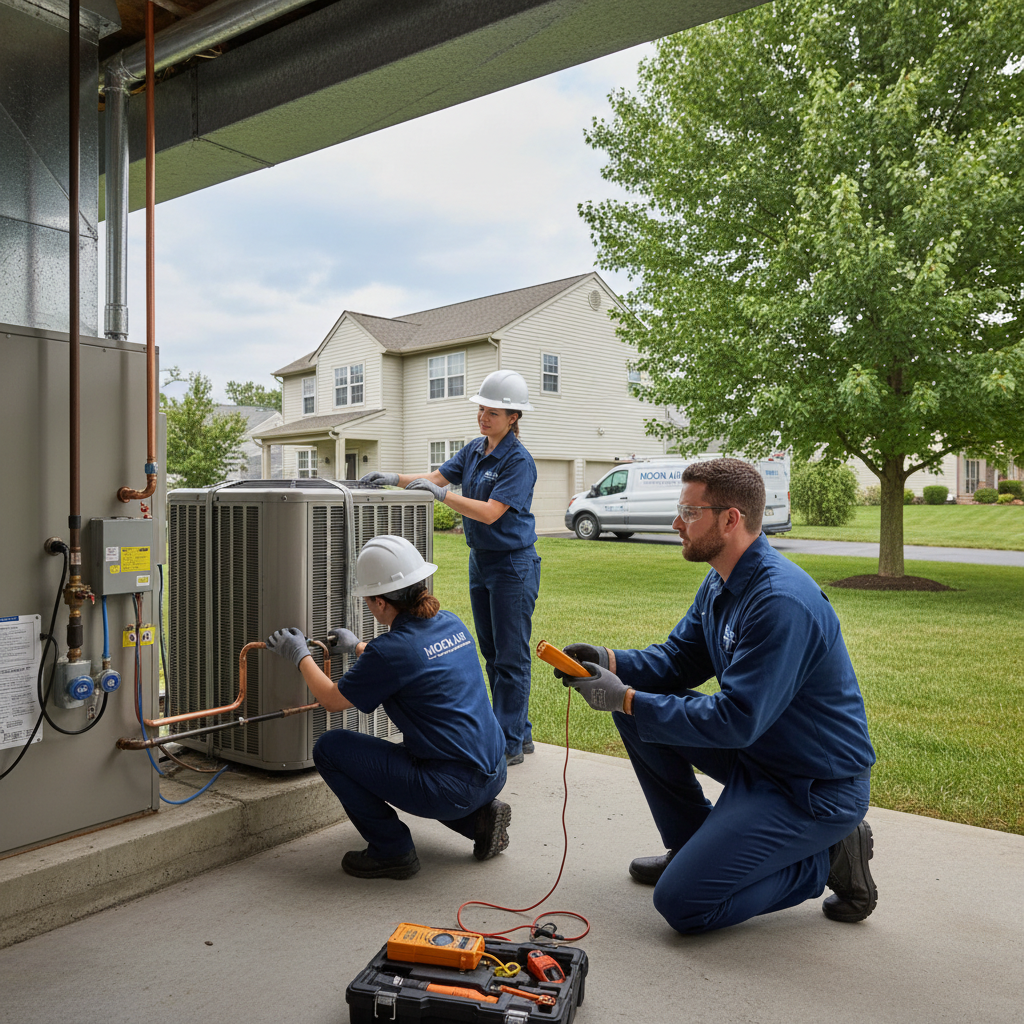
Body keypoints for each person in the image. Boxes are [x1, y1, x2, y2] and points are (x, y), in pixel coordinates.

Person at [553, 457, 878, 934]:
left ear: (731, 520)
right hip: (760, 754)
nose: (676, 523)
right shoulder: (723, 580)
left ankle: (826, 858)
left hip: (812, 786)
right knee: (637, 713)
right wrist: (608, 660)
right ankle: (691, 846)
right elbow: (678, 660)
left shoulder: (780, 602)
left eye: (689, 512)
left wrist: (624, 698)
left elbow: (736, 718)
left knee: (683, 904)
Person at [264, 535, 510, 880]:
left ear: (380, 603)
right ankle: (478, 821)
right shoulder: (451, 622)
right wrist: (358, 647)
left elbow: (332, 700)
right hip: (494, 771)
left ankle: (392, 850)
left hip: (452, 787)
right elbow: (415, 660)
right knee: (422, 761)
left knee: (331, 748)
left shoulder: (391, 651)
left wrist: (300, 654)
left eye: (367, 599)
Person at [360, 369, 540, 767]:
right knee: (491, 652)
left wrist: (441, 496)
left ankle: (508, 743)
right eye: (481, 409)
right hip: (482, 561)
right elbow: (436, 477)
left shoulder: (518, 461)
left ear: (513, 417)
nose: (483, 417)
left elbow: (490, 512)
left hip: (512, 565)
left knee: (511, 657)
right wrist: (394, 478)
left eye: (493, 412)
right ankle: (519, 732)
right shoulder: (475, 450)